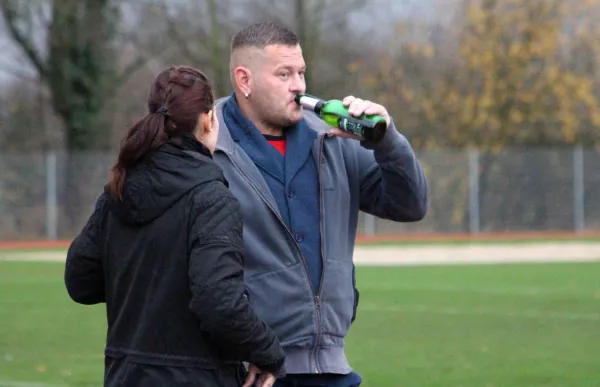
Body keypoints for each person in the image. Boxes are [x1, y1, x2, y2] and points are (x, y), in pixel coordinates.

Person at [210, 22, 429, 387]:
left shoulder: (334, 137)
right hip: (245, 372)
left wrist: (387, 138)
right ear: (244, 80)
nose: (299, 85)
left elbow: (410, 205)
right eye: (284, 74)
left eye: (301, 72)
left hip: (329, 367)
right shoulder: (207, 141)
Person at [64, 65, 286, 387]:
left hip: (124, 376)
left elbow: (81, 279)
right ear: (209, 119)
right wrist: (268, 352)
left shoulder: (120, 188)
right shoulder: (210, 198)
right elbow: (218, 303)